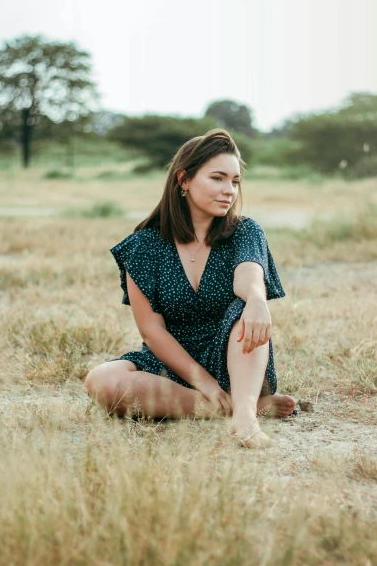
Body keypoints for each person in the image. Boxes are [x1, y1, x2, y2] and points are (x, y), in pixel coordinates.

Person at [85, 128, 297, 448]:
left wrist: (256, 298)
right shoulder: (144, 246)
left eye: (235, 181)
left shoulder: (244, 230)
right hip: (171, 365)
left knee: (244, 306)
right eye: (218, 178)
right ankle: (231, 407)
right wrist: (204, 384)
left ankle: (244, 415)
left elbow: (249, 276)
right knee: (100, 381)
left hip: (234, 360)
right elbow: (152, 331)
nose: (230, 190)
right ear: (184, 180)